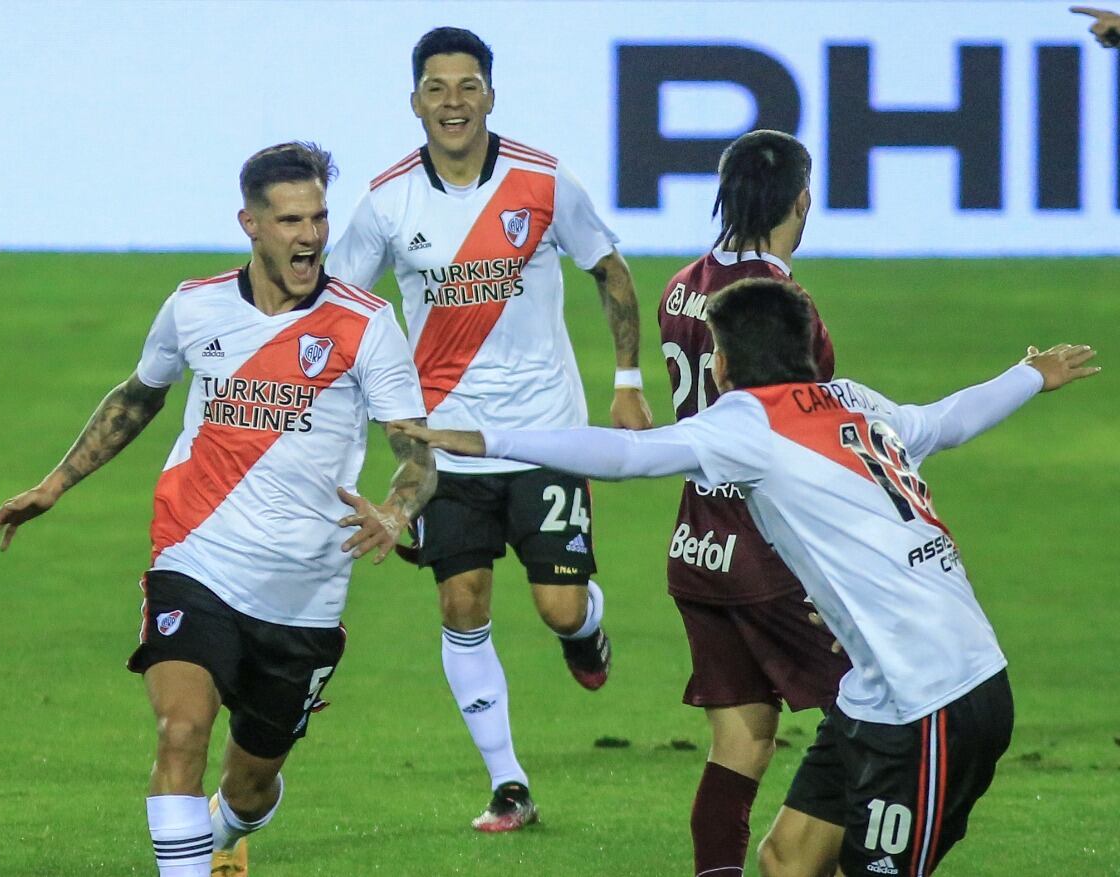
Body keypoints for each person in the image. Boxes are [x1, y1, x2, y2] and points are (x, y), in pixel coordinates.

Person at [389, 278, 1099, 877]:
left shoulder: (747, 423)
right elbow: (944, 420)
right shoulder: (854, 400)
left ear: (722, 365)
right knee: (787, 859)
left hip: (939, 697)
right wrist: (1031, 374)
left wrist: (485, 439)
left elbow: (627, 455)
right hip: (878, 691)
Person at [0, 142, 436, 877]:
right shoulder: (195, 307)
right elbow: (139, 395)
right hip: (196, 554)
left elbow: (416, 449)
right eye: (290, 220)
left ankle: (230, 827)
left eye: (318, 217)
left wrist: (396, 507)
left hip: (304, 589)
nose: (310, 236)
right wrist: (55, 482)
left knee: (249, 784)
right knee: (181, 729)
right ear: (250, 222)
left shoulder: (368, 323)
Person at [326, 26, 652, 831]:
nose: (452, 103)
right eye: (436, 89)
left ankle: (589, 630)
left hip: (543, 433)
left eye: (467, 86)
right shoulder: (388, 201)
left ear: (491, 96)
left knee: (558, 608)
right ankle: (509, 782)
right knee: (461, 602)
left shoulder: (542, 180)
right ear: (415, 102)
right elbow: (339, 309)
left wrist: (629, 381)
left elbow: (608, 269)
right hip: (442, 443)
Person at [658, 130, 849, 877]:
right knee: (871, 719)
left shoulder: (679, 285)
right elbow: (811, 428)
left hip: (696, 543)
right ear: (802, 200)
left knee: (739, 743)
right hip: (769, 551)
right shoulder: (783, 306)